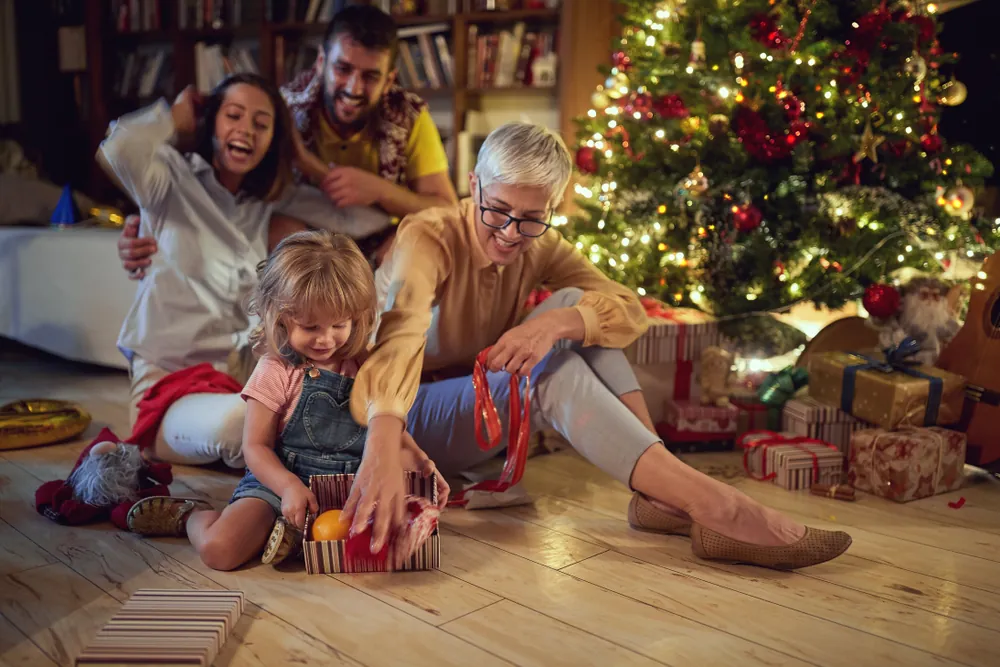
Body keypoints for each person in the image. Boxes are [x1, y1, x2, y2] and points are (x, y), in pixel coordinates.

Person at [343, 122, 853, 571]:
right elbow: (398, 340)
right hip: (398, 420)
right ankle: (715, 505)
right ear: (473, 184)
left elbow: (627, 307)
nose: (509, 233)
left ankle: (660, 493)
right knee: (546, 371)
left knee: (575, 305)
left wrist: (559, 323)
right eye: (496, 210)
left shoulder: (537, 244)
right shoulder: (428, 236)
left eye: (530, 218)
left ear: (550, 208)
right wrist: (383, 446)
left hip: (478, 405)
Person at [99, 73, 389, 469]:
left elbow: (364, 220)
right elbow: (118, 148)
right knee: (248, 426)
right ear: (212, 123)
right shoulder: (168, 181)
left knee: (336, 411)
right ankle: (153, 445)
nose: (246, 131)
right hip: (169, 384)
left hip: (242, 379)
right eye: (233, 116)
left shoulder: (266, 203)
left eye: (262, 124)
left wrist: (304, 161)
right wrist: (173, 116)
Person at [125, 230, 448, 571]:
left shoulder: (367, 366)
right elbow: (255, 449)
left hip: (350, 490)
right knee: (219, 550)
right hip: (280, 484)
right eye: (311, 327)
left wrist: (420, 459)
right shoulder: (275, 370)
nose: (326, 339)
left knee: (402, 535)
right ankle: (191, 516)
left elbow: (388, 429)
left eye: (339, 324)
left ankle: (292, 538)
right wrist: (289, 487)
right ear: (280, 318)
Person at [117, 4, 457, 279]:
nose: (353, 88)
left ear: (389, 79)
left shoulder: (409, 116)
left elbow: (447, 211)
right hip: (310, 240)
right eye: (343, 69)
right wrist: (151, 221)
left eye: (370, 76)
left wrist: (381, 191)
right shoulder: (283, 110)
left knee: (414, 240)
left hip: (384, 239)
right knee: (278, 231)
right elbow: (223, 187)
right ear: (322, 61)